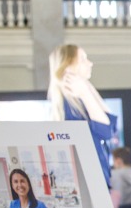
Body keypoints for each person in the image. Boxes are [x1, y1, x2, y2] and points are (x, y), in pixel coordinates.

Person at [49, 44, 117, 187]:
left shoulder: (79, 100)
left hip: (97, 180)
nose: (90, 63)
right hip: (90, 183)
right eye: (83, 59)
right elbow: (106, 131)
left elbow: (111, 124)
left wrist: (88, 88)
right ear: (68, 66)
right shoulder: (70, 107)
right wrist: (86, 92)